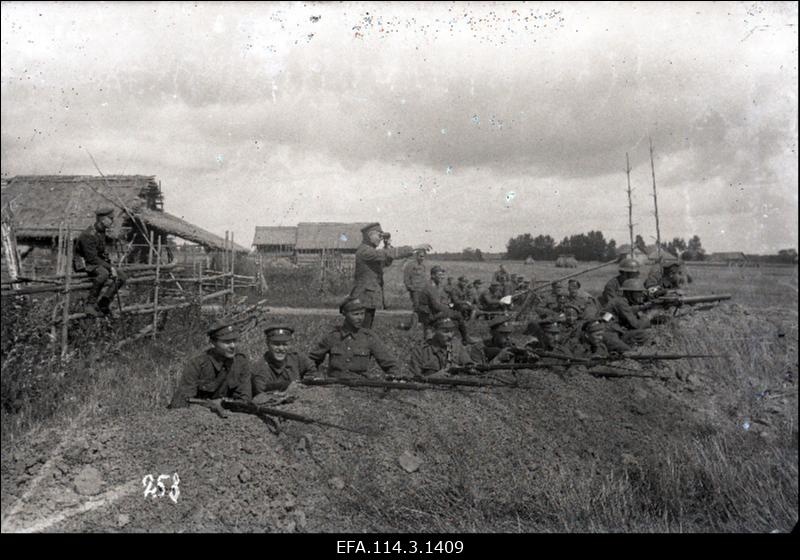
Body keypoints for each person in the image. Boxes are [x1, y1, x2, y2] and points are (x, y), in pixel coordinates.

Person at [351, 222, 431, 329]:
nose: (380, 239)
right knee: (362, 327)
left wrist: (387, 246)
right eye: (379, 236)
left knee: (366, 326)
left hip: (368, 296)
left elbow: (385, 262)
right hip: (364, 296)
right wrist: (414, 247)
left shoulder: (369, 251)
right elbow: (386, 254)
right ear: (370, 235)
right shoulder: (365, 251)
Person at [307, 296, 400, 378]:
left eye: (362, 314)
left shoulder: (369, 338)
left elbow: (391, 365)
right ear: (345, 314)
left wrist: (392, 378)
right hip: (334, 387)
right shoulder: (333, 337)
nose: (360, 318)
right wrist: (313, 375)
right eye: (355, 314)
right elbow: (310, 361)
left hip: (360, 388)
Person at [168, 320, 252, 408]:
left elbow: (245, 400)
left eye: (235, 340)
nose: (233, 346)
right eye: (227, 342)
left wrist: (223, 403)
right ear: (213, 343)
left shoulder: (240, 362)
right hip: (199, 412)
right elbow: (182, 402)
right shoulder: (197, 364)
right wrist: (209, 405)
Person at [74, 207, 128, 317]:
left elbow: (100, 253)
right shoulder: (88, 235)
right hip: (84, 263)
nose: (112, 221)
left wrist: (109, 263)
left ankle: (104, 303)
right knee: (104, 274)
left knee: (122, 276)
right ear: (102, 219)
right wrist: (110, 267)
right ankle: (90, 304)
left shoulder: (101, 231)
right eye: (110, 218)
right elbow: (91, 258)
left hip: (96, 261)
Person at [417, 265, 476, 344]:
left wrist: (447, 305)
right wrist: (448, 309)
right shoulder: (431, 287)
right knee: (458, 315)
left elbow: (439, 301)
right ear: (433, 275)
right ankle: (465, 338)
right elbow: (436, 306)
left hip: (429, 313)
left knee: (453, 315)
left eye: (443, 275)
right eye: (439, 275)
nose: (442, 277)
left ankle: (455, 336)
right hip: (429, 315)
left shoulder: (435, 286)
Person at [251, 325, 316, 396]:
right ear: (268, 344)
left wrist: (305, 384)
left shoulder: (296, 358)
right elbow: (261, 396)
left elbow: (311, 368)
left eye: (285, 344)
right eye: (276, 344)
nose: (281, 348)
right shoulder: (260, 369)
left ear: (290, 345)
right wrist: (288, 388)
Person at [408, 317, 477, 377]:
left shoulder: (457, 347)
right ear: (434, 331)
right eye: (445, 332)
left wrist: (464, 369)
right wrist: (434, 377)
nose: (450, 335)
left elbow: (470, 367)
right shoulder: (421, 350)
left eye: (452, 331)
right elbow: (414, 378)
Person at [602, 278, 652, 351]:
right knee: (628, 351)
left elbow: (630, 309)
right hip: (609, 334)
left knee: (642, 334)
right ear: (629, 293)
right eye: (638, 292)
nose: (641, 295)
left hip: (614, 331)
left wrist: (643, 307)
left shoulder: (620, 300)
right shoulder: (621, 303)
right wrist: (648, 317)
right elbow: (636, 325)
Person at [402, 249, 428, 328]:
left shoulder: (423, 266)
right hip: (415, 290)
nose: (422, 258)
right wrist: (410, 287)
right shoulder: (410, 265)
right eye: (420, 256)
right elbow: (406, 277)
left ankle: (419, 324)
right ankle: (413, 326)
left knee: (423, 306)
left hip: (423, 290)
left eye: (423, 257)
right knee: (417, 307)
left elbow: (424, 278)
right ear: (416, 256)